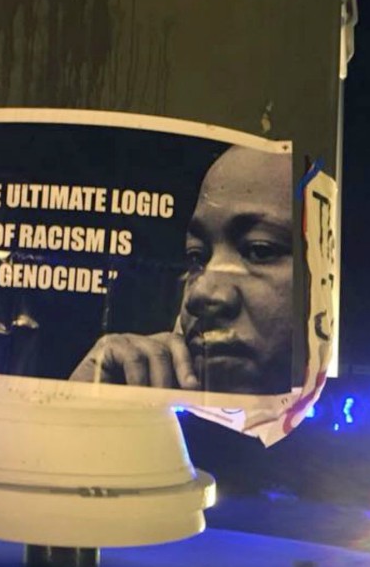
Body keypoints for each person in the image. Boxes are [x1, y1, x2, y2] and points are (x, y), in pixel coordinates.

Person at [71, 144, 293, 395]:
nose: (199, 294)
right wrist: (75, 413)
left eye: (260, 250)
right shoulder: (143, 403)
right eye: (196, 257)